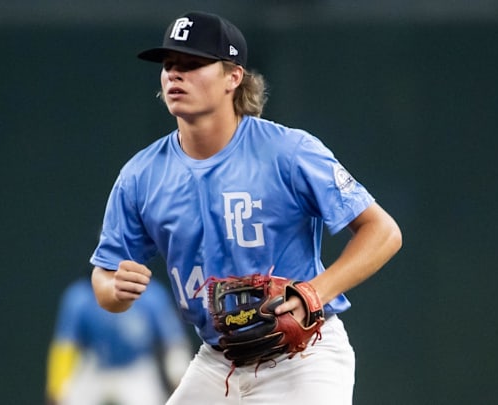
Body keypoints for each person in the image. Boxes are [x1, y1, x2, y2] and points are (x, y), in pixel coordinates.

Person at [89, 10, 402, 405]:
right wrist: (114, 289)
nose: (174, 75)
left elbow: (383, 232)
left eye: (193, 64)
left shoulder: (289, 152)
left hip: (303, 358)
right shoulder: (140, 176)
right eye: (169, 65)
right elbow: (105, 278)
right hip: (218, 361)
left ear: (233, 77)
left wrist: (313, 294)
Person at [45, 276, 192, 405]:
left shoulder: (151, 294)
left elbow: (174, 342)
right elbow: (65, 346)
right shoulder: (80, 295)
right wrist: (57, 388)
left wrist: (178, 376)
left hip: (136, 369)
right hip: (95, 367)